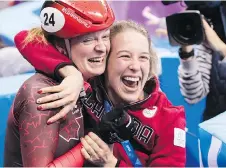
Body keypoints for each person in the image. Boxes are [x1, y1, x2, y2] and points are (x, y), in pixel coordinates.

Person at [15, 19, 186, 166]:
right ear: (105, 60)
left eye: (143, 58)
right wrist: (71, 73)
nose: (135, 66)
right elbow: (25, 38)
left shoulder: (170, 118)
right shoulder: (90, 83)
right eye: (125, 56)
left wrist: (111, 164)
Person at [4, 0, 115, 166]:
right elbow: (24, 38)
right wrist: (97, 143)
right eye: (88, 40)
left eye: (105, 37)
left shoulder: (96, 74)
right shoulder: (42, 94)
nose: (101, 48)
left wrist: (72, 73)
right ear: (60, 46)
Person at [178, 18, 226, 121]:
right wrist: (187, 52)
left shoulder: (213, 39)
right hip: (214, 126)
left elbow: (219, 46)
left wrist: (221, 48)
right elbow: (193, 95)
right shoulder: (211, 28)